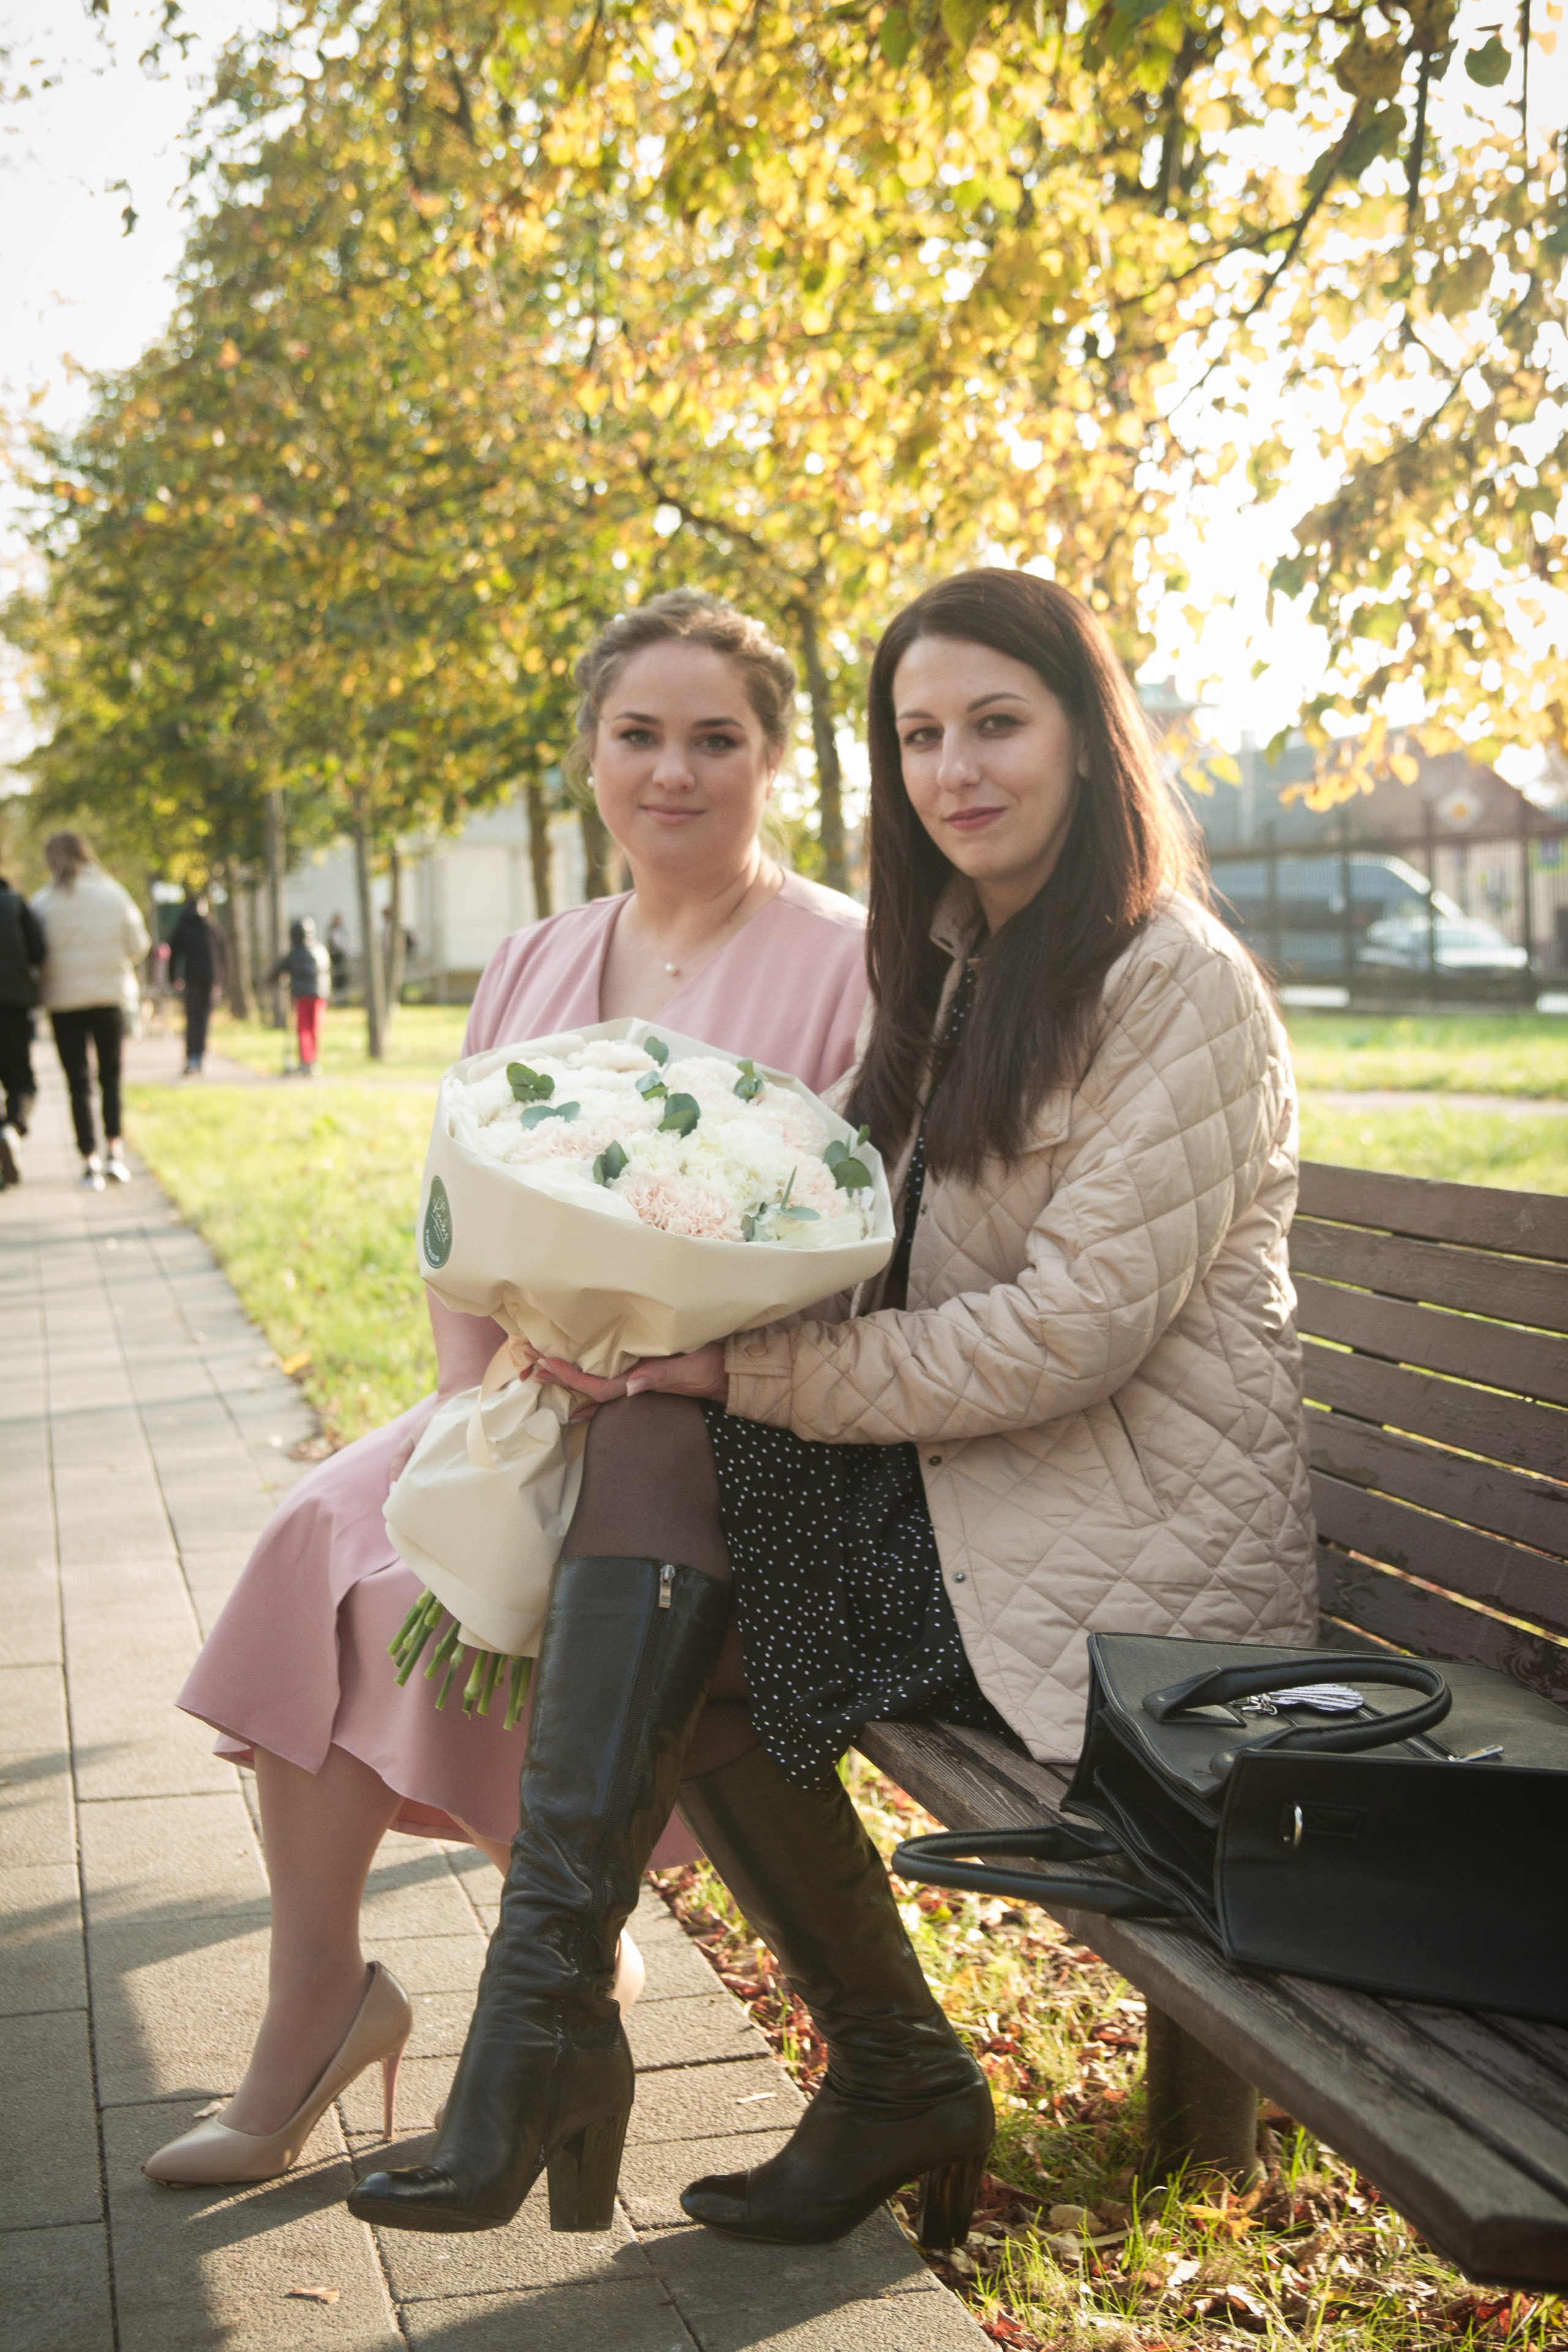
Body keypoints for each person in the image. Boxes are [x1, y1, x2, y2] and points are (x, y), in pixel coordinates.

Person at [349, 568, 1318, 2249]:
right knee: (657, 1485)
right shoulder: (961, 959)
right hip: (980, 1499)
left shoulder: (1176, 983)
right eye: (922, 735)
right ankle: (644, 2029)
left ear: (1091, 743)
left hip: (1115, 1550)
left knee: (695, 1600)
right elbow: (850, 1246)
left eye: (998, 725)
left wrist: (740, 1372)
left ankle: (650, 2044)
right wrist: (628, 1318)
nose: (957, 770)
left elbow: (1066, 1338)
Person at [146, 589, 870, 2189]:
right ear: (590, 758)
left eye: (715, 740)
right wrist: (482, 1399)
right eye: (639, 736)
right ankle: (319, 2000)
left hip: (721, 1428)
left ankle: (563, 1933)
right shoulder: (540, 956)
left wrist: (687, 1367)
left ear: (773, 761)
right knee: (332, 1537)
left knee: (467, 1576)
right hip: (530, 1388)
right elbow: (455, 1210)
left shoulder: (847, 962)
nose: (672, 771)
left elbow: (859, 1242)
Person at [32, 832, 150, 1191]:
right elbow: (139, 945)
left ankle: (89, 1161)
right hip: (109, 998)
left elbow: (35, 953)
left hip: (63, 1003)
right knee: (110, 1077)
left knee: (77, 1083)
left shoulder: (42, 903)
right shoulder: (113, 895)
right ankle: (115, 1151)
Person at [0, 872, 46, 1188]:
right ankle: (13, 1127)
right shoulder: (15, 904)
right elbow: (39, 952)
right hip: (12, 1005)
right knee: (21, 1082)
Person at [169, 888, 228, 1075]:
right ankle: (199, 1057)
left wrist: (174, 978)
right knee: (203, 1020)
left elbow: (174, 954)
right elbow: (225, 952)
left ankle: (193, 1058)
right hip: (211, 980)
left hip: (193, 980)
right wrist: (224, 977)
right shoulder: (211, 925)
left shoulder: (183, 925)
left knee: (193, 1019)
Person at [268, 917, 332, 1076]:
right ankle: (313, 1061)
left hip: (303, 997)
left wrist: (277, 981)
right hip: (320, 996)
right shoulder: (320, 950)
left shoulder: (295, 953)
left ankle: (306, 1061)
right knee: (315, 1029)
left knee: (303, 1029)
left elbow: (277, 972)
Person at [326, 911, 350, 1000]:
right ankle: (339, 998)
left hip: (341, 955)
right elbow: (337, 943)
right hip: (336, 956)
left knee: (343, 978)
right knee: (338, 977)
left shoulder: (342, 929)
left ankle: (344, 998)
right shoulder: (333, 929)